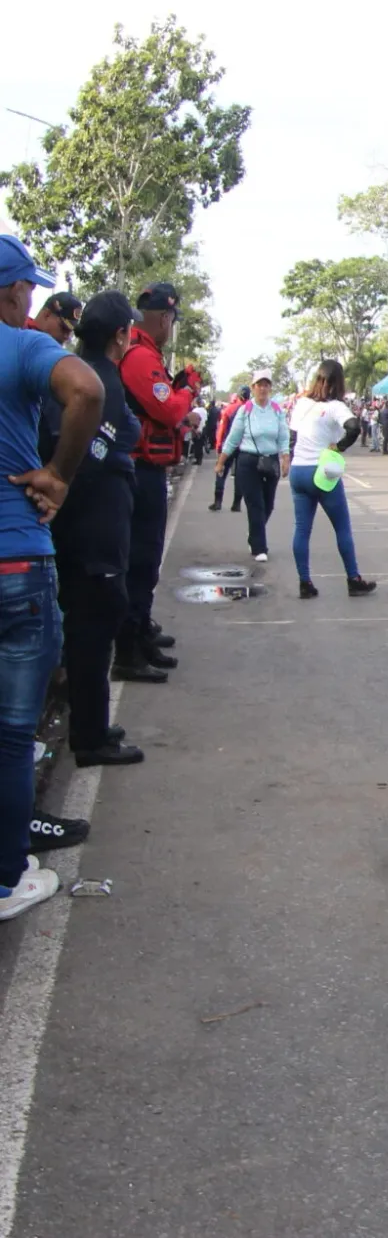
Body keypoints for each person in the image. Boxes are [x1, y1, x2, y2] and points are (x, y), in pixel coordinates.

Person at [0, 234, 107, 915]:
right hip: (14, 560)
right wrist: (58, 477)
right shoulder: (21, 346)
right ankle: (7, 878)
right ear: (10, 291)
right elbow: (87, 391)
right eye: (28, 291)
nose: (32, 303)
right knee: (11, 732)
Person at [45, 292, 143, 769]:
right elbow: (111, 443)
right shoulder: (95, 381)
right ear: (120, 335)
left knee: (96, 621)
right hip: (92, 525)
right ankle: (89, 737)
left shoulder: (88, 374)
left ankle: (95, 722)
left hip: (93, 521)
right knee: (94, 624)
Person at [114, 282, 196, 682]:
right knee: (141, 562)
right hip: (138, 469)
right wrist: (188, 392)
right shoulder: (140, 355)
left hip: (146, 468)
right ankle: (129, 652)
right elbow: (166, 410)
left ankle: (140, 636)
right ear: (165, 318)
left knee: (145, 562)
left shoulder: (145, 353)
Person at [289, 360, 374, 599]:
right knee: (342, 528)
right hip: (322, 472)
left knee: (302, 530)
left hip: (298, 471)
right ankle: (353, 579)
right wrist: (339, 447)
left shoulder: (302, 404)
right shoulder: (336, 406)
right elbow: (354, 427)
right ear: (339, 382)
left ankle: (304, 582)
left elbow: (292, 435)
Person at [218, 370, 289, 564]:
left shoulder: (277, 410)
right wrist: (221, 461)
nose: (263, 388)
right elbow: (233, 438)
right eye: (260, 385)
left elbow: (283, 436)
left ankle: (254, 532)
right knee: (255, 504)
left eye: (266, 385)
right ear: (253, 388)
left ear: (270, 388)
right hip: (248, 462)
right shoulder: (245, 410)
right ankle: (259, 547)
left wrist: (285, 458)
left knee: (268, 504)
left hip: (270, 460)